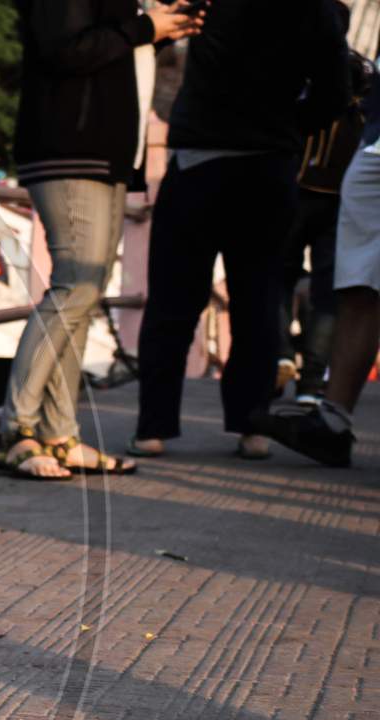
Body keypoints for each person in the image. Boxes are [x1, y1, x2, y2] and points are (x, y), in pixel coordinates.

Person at [128, 0, 351, 460]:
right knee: (259, 300)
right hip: (269, 164)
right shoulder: (318, 10)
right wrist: (290, 127)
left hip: (198, 159)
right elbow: (334, 94)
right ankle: (252, 427)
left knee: (173, 297)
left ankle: (153, 427)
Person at [0, 0, 202, 480]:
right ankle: (17, 431)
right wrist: (146, 26)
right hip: (69, 146)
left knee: (85, 295)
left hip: (105, 152)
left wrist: (161, 30)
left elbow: (111, 47)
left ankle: (58, 434)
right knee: (74, 288)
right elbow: (63, 49)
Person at [254, 47, 380, 466]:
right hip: (374, 141)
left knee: (324, 282)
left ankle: (308, 384)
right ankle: (331, 423)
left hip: (327, 173)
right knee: (355, 284)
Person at [275, 8, 369, 402]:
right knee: (318, 282)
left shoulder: (304, 63)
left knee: (288, 275)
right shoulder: (354, 70)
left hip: (313, 185)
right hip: (333, 187)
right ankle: (303, 374)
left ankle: (292, 363)